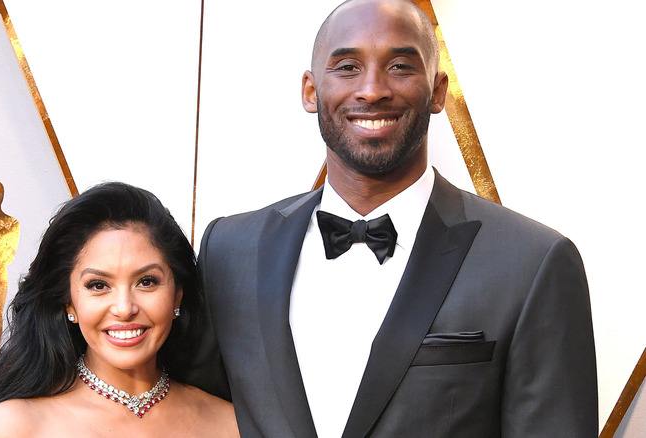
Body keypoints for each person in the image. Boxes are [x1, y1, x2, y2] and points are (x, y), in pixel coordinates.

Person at [194, 0, 598, 436]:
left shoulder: (532, 263)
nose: (372, 89)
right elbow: (188, 416)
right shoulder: (228, 252)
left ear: (437, 90)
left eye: (401, 66)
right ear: (311, 91)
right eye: (347, 66)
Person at [0, 182, 238, 437]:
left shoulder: (229, 424)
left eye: (147, 281)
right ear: (69, 302)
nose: (124, 308)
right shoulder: (16, 426)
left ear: (177, 296)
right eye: (98, 285)